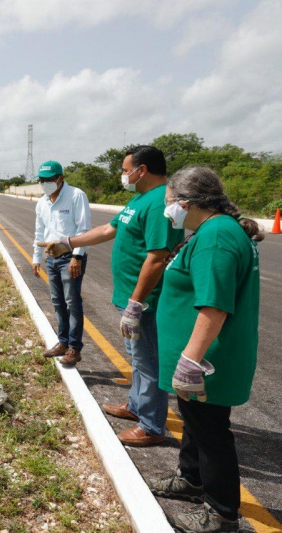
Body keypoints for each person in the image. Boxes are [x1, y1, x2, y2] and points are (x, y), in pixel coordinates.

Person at [41, 145, 184, 446]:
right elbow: (108, 228)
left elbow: (157, 257)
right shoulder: (139, 199)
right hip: (129, 295)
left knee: (148, 361)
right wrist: (69, 242)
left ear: (141, 170)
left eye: (124, 169)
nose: (122, 175)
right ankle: (136, 407)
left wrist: (135, 303)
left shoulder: (160, 202)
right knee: (137, 357)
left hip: (144, 299)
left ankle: (151, 425)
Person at [147, 167, 263, 533]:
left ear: (185, 202)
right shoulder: (212, 231)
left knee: (211, 431)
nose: (168, 209)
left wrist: (189, 360)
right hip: (203, 356)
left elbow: (214, 306)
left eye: (169, 203)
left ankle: (221, 512)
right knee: (195, 422)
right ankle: (191, 478)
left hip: (209, 358)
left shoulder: (216, 238)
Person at [32, 160, 92, 366]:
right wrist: (36, 258)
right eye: (42, 180)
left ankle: (74, 348)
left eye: (49, 179)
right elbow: (39, 232)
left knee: (72, 302)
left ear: (61, 178)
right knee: (57, 302)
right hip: (52, 257)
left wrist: (77, 256)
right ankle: (63, 342)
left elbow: (84, 229)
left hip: (70, 257)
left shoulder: (76, 196)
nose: (45, 183)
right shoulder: (42, 202)